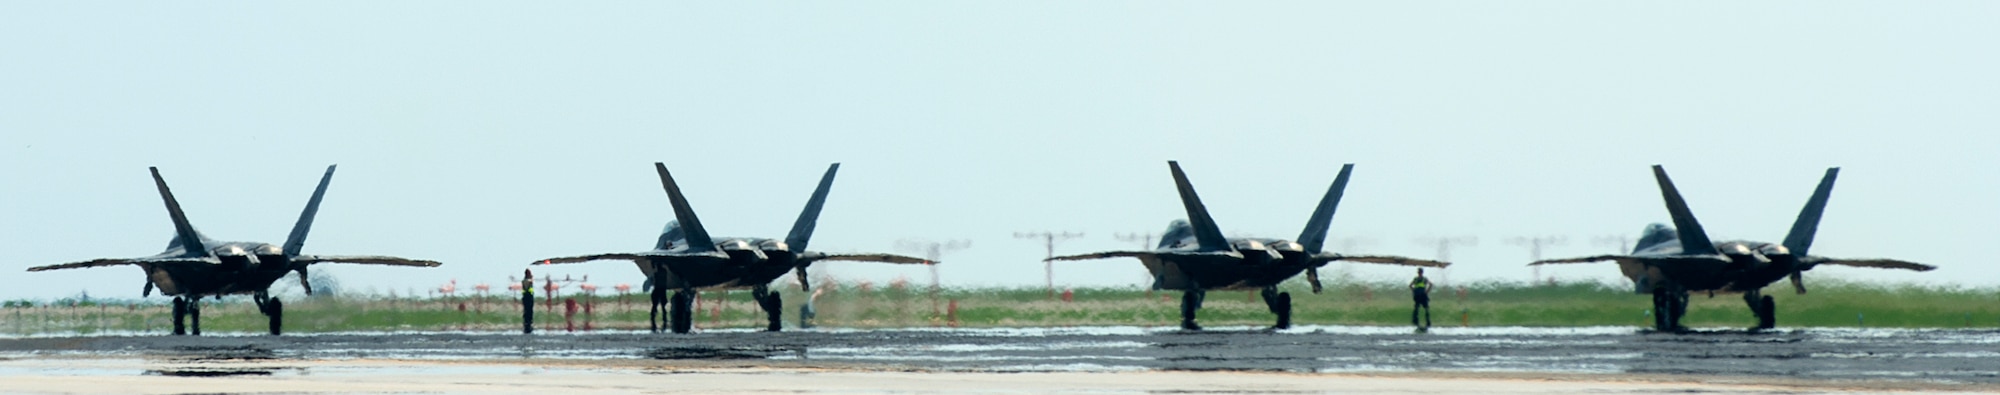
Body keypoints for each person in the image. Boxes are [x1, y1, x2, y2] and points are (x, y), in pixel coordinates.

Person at [521, 269, 535, 334]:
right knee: (528, 312)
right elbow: (529, 282)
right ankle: (528, 326)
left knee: (527, 312)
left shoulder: (525, 281)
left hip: (526, 297)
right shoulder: (527, 281)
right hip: (528, 297)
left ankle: (527, 325)